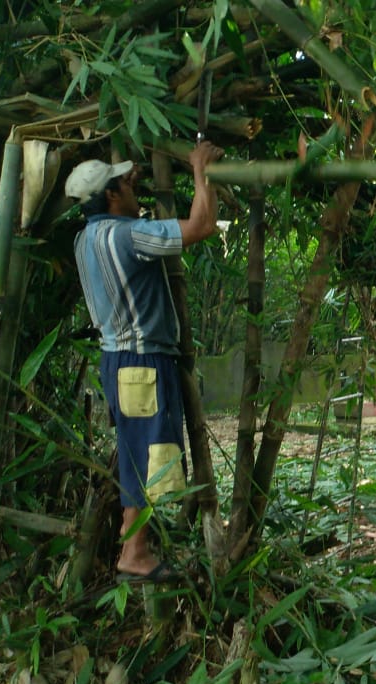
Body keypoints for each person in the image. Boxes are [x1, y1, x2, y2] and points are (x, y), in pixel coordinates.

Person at [66, 141, 224, 582]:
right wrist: (201, 171)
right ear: (113, 195)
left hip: (117, 359)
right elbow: (201, 225)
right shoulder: (124, 234)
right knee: (148, 454)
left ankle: (133, 541)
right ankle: (133, 552)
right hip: (141, 360)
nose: (135, 190)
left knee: (138, 452)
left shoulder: (85, 239)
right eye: (126, 184)